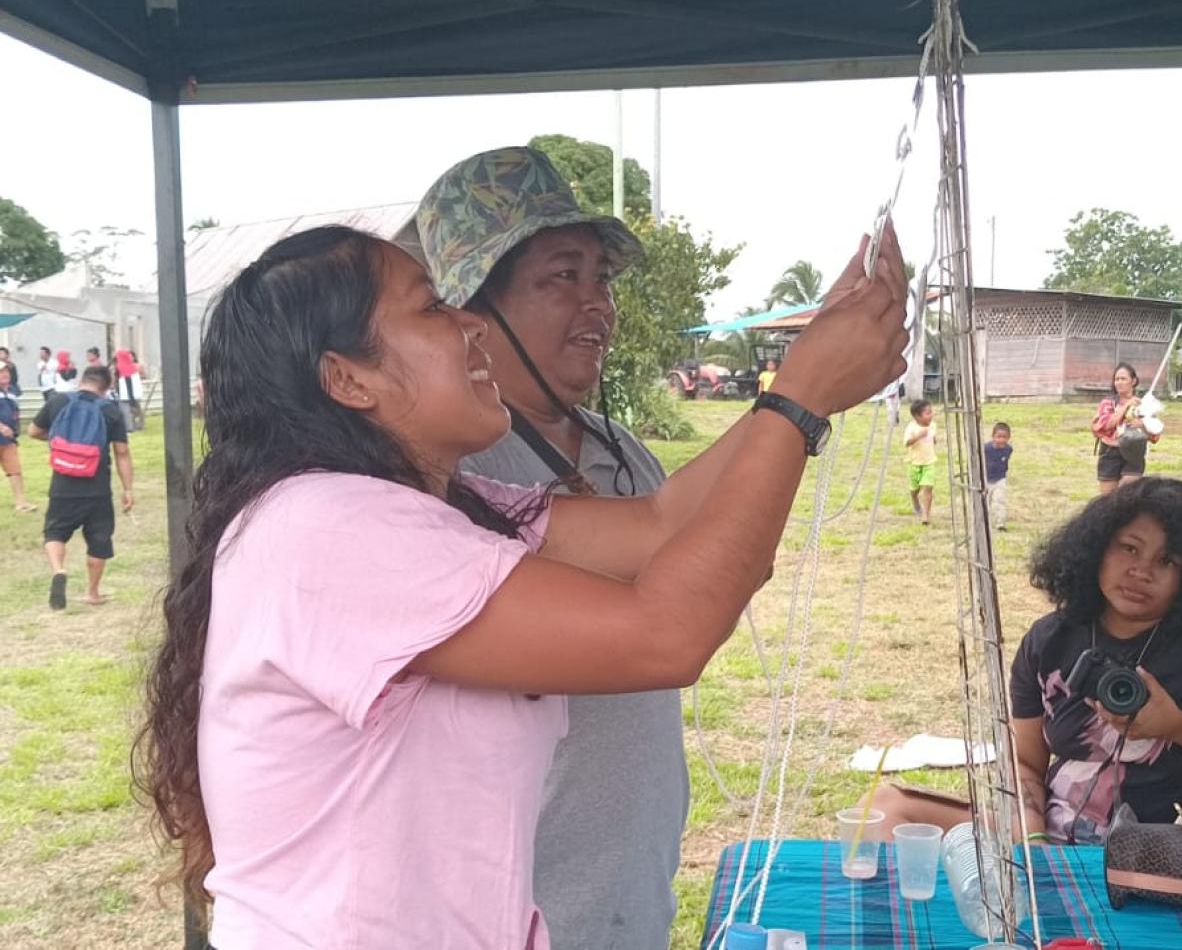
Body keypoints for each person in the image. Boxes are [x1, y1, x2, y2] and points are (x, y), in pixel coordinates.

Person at [136, 220, 908, 950]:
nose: (471, 326)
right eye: (433, 309)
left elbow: (661, 526)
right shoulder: (329, 525)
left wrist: (813, 372)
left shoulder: (439, 507)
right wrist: (798, 398)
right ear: (347, 379)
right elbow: (665, 633)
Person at [405, 146, 871, 948]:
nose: (599, 306)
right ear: (472, 309)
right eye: (563, 277)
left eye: (603, 279)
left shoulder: (623, 451)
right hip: (511, 907)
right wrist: (800, 393)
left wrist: (807, 387)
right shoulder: (446, 476)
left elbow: (714, 558)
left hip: (628, 882)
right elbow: (668, 629)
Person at [874, 478, 1182, 843]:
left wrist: (1178, 725)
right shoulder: (1051, 638)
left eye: (1168, 560)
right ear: (1097, 548)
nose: (1141, 571)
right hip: (1046, 831)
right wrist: (1032, 837)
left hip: (1150, 852)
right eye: (1129, 548)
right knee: (885, 808)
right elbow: (1026, 761)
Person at [29, 364, 133, 609]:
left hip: (63, 484)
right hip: (97, 486)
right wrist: (128, 489)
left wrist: (60, 440)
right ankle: (92, 592)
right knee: (99, 537)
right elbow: (122, 452)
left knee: (55, 532)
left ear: (81, 380)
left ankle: (59, 569)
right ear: (106, 387)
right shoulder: (110, 410)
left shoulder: (57, 402)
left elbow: (33, 431)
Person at [1091, 362, 1154, 495]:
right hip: (1110, 452)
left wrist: (1143, 425)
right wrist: (1125, 407)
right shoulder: (1107, 403)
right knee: (1108, 498)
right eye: (1116, 379)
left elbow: (1154, 435)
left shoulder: (1143, 405)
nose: (1119, 382)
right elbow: (1106, 425)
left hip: (1134, 451)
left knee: (1128, 493)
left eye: (1123, 379)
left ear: (1133, 381)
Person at [0, 363, 37, 512]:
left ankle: (21, 502)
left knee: (15, 470)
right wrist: (2, 427)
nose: (5, 373)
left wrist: (13, 431)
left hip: (8, 440)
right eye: (1, 371)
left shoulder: (12, 393)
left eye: (6, 370)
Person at [905, 398, 937, 524]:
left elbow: (933, 438)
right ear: (917, 416)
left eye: (931, 412)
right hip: (914, 462)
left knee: (928, 487)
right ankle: (914, 498)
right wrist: (918, 436)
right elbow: (907, 443)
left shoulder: (933, 426)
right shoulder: (911, 428)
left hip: (929, 462)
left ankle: (925, 515)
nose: (931, 415)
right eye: (927, 413)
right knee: (915, 488)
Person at [984, 420, 1012, 531]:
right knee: (986, 501)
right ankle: (984, 522)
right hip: (986, 478)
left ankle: (1000, 523)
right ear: (993, 436)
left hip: (1000, 479)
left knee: (999, 499)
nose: (1001, 440)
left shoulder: (1008, 449)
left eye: (1004, 437)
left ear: (1009, 437)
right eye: (998, 436)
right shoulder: (986, 448)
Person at [114, 349, 145, 430]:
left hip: (126, 394)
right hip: (134, 393)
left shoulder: (122, 367)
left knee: (126, 411)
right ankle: (138, 426)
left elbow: (128, 383)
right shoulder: (133, 366)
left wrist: (131, 397)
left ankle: (129, 427)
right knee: (136, 410)